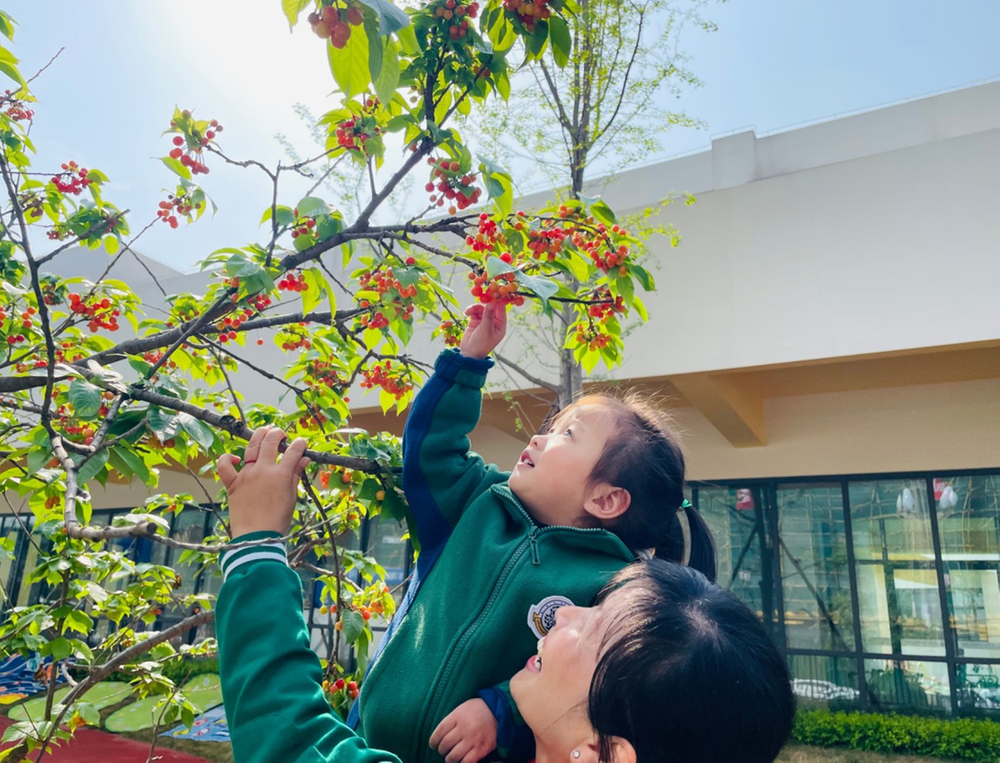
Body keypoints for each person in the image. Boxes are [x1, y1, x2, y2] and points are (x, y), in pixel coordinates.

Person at [214, 431, 796, 761]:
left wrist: (258, 545)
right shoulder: (491, 512)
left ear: (606, 754)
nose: (559, 612)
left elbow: (286, 736)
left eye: (592, 627)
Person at [342, 301, 716, 762]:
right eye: (551, 426)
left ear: (605, 498)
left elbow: (586, 693)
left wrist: (499, 712)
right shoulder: (478, 503)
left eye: (568, 435)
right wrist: (468, 362)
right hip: (366, 733)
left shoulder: (613, 590)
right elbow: (430, 455)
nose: (539, 438)